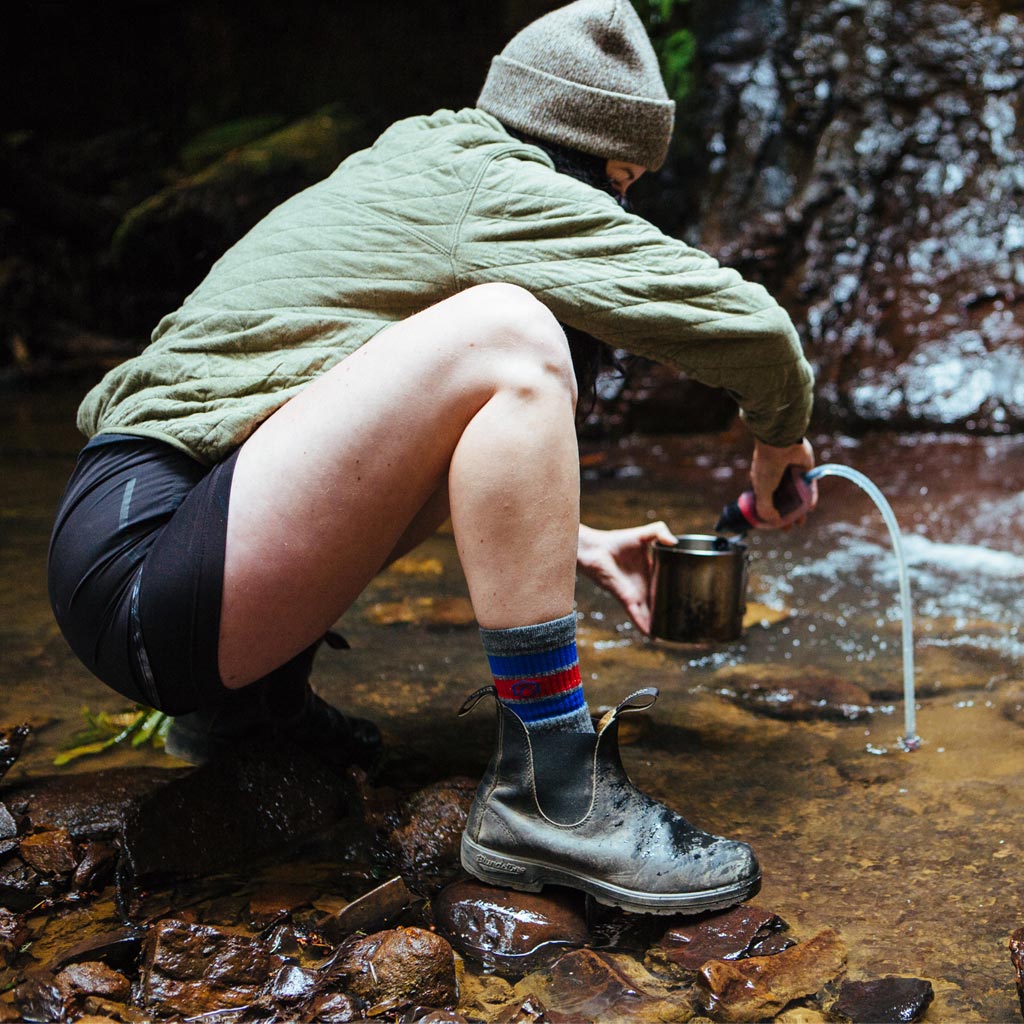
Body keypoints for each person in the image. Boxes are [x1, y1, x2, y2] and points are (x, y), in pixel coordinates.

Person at [48, 0, 816, 915]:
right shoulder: (498, 189)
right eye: (625, 180)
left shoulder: (421, 162)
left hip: (140, 551)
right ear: (607, 160)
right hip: (151, 579)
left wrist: (573, 538)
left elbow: (367, 443)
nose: (620, 204)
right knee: (513, 335)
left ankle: (243, 714)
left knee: (475, 358)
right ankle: (551, 787)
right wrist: (780, 440)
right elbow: (753, 330)